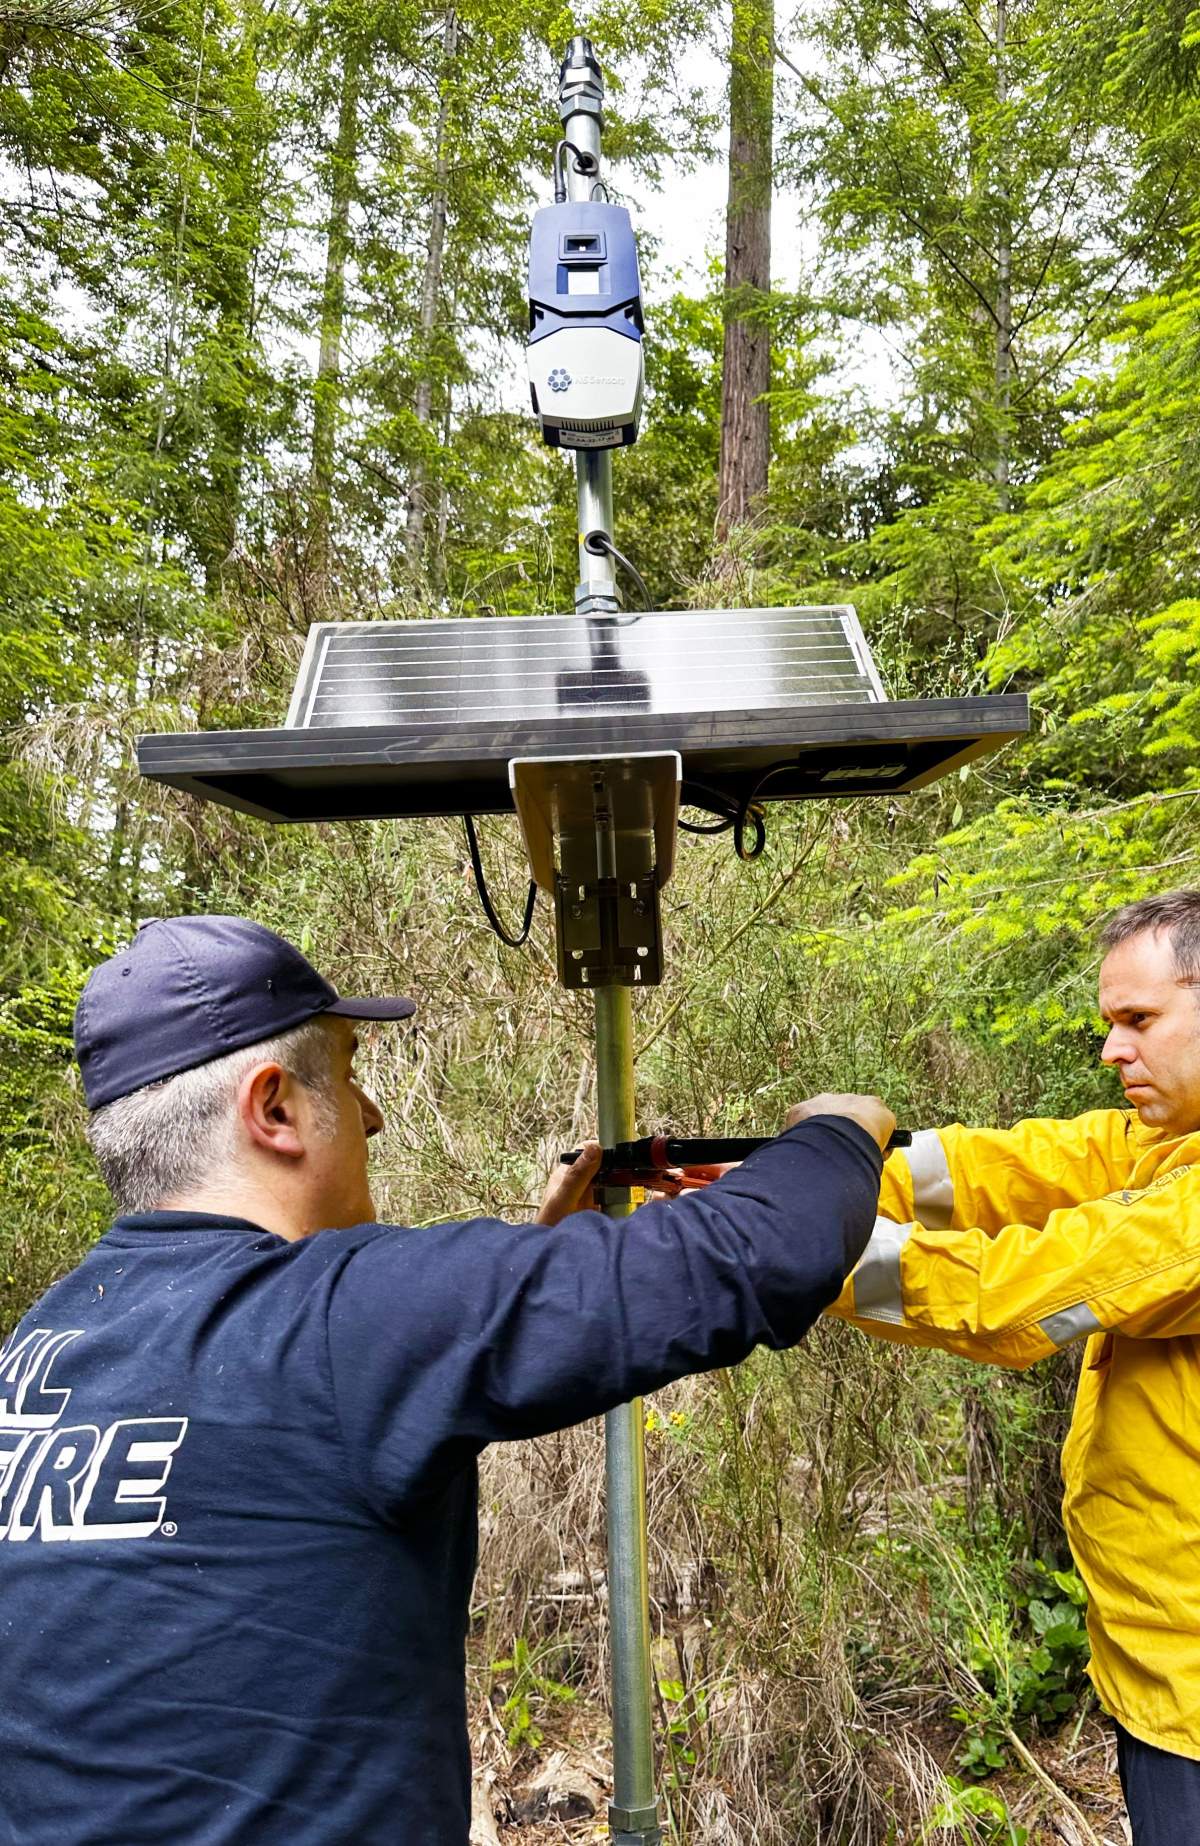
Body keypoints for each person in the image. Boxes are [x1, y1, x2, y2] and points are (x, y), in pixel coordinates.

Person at [0, 913, 893, 1845]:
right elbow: (766, 1254)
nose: (373, 1113)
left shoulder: (47, 1343)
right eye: (347, 1072)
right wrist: (838, 1130)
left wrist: (546, 1263)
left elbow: (284, 1467)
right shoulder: (342, 1316)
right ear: (273, 1109)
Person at [827, 889, 1200, 1844]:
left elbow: (1007, 1298)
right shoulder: (1163, 1147)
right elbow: (1013, 1168)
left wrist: (777, 1246)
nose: (1113, 1050)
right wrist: (782, 1174)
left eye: (1139, 1021)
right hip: (1160, 1669)